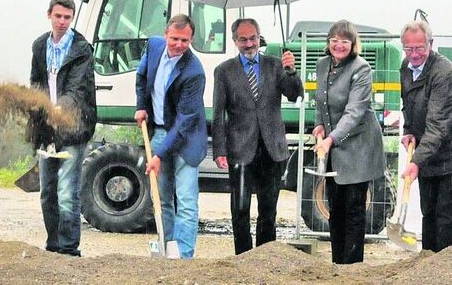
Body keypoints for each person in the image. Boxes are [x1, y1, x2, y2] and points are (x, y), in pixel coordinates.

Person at [212, 18, 302, 255]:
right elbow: (218, 113)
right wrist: (219, 151)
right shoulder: (223, 71)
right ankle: (243, 261)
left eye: (253, 38)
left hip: (272, 149)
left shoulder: (275, 65)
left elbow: (294, 94)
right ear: (235, 41)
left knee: (268, 211)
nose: (250, 44)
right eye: (243, 39)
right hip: (241, 150)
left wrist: (291, 71)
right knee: (240, 210)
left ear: (259, 37)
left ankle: (265, 259)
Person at [134, 14, 207, 259]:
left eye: (185, 41)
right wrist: (141, 105)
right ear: (165, 34)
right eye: (175, 38)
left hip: (187, 138)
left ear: (191, 39)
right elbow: (142, 76)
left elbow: (185, 121)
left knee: (185, 201)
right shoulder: (154, 47)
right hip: (158, 129)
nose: (179, 45)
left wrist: (160, 155)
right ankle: (167, 250)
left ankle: (184, 256)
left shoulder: (194, 72)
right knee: (162, 198)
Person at [312, 20, 385, 264]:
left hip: (359, 147)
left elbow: (354, 111)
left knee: (354, 209)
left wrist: (331, 139)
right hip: (334, 146)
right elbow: (319, 100)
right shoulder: (322, 65)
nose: (338, 45)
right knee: (336, 208)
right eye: (334, 40)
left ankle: (352, 268)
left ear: (353, 44)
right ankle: (337, 265)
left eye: (344, 41)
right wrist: (319, 124)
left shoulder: (361, 68)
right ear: (328, 42)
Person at [30, 0, 97, 257]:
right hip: (47, 129)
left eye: (67, 17)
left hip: (74, 128)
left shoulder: (81, 49)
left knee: (67, 191)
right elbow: (36, 83)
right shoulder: (39, 46)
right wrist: (39, 111)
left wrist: (61, 108)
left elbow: (78, 89)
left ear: (72, 18)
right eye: (58, 16)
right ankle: (53, 244)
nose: (62, 21)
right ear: (49, 15)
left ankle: (69, 248)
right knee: (47, 192)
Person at [400, 20, 452, 253]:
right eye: (409, 48)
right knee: (428, 213)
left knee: (445, 217)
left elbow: (438, 125)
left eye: (420, 47)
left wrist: (415, 162)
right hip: (426, 155)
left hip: (448, 155)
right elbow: (407, 105)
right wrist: (408, 130)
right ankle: (428, 266)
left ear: (430, 44)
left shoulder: (443, 72)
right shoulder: (405, 67)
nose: (414, 54)